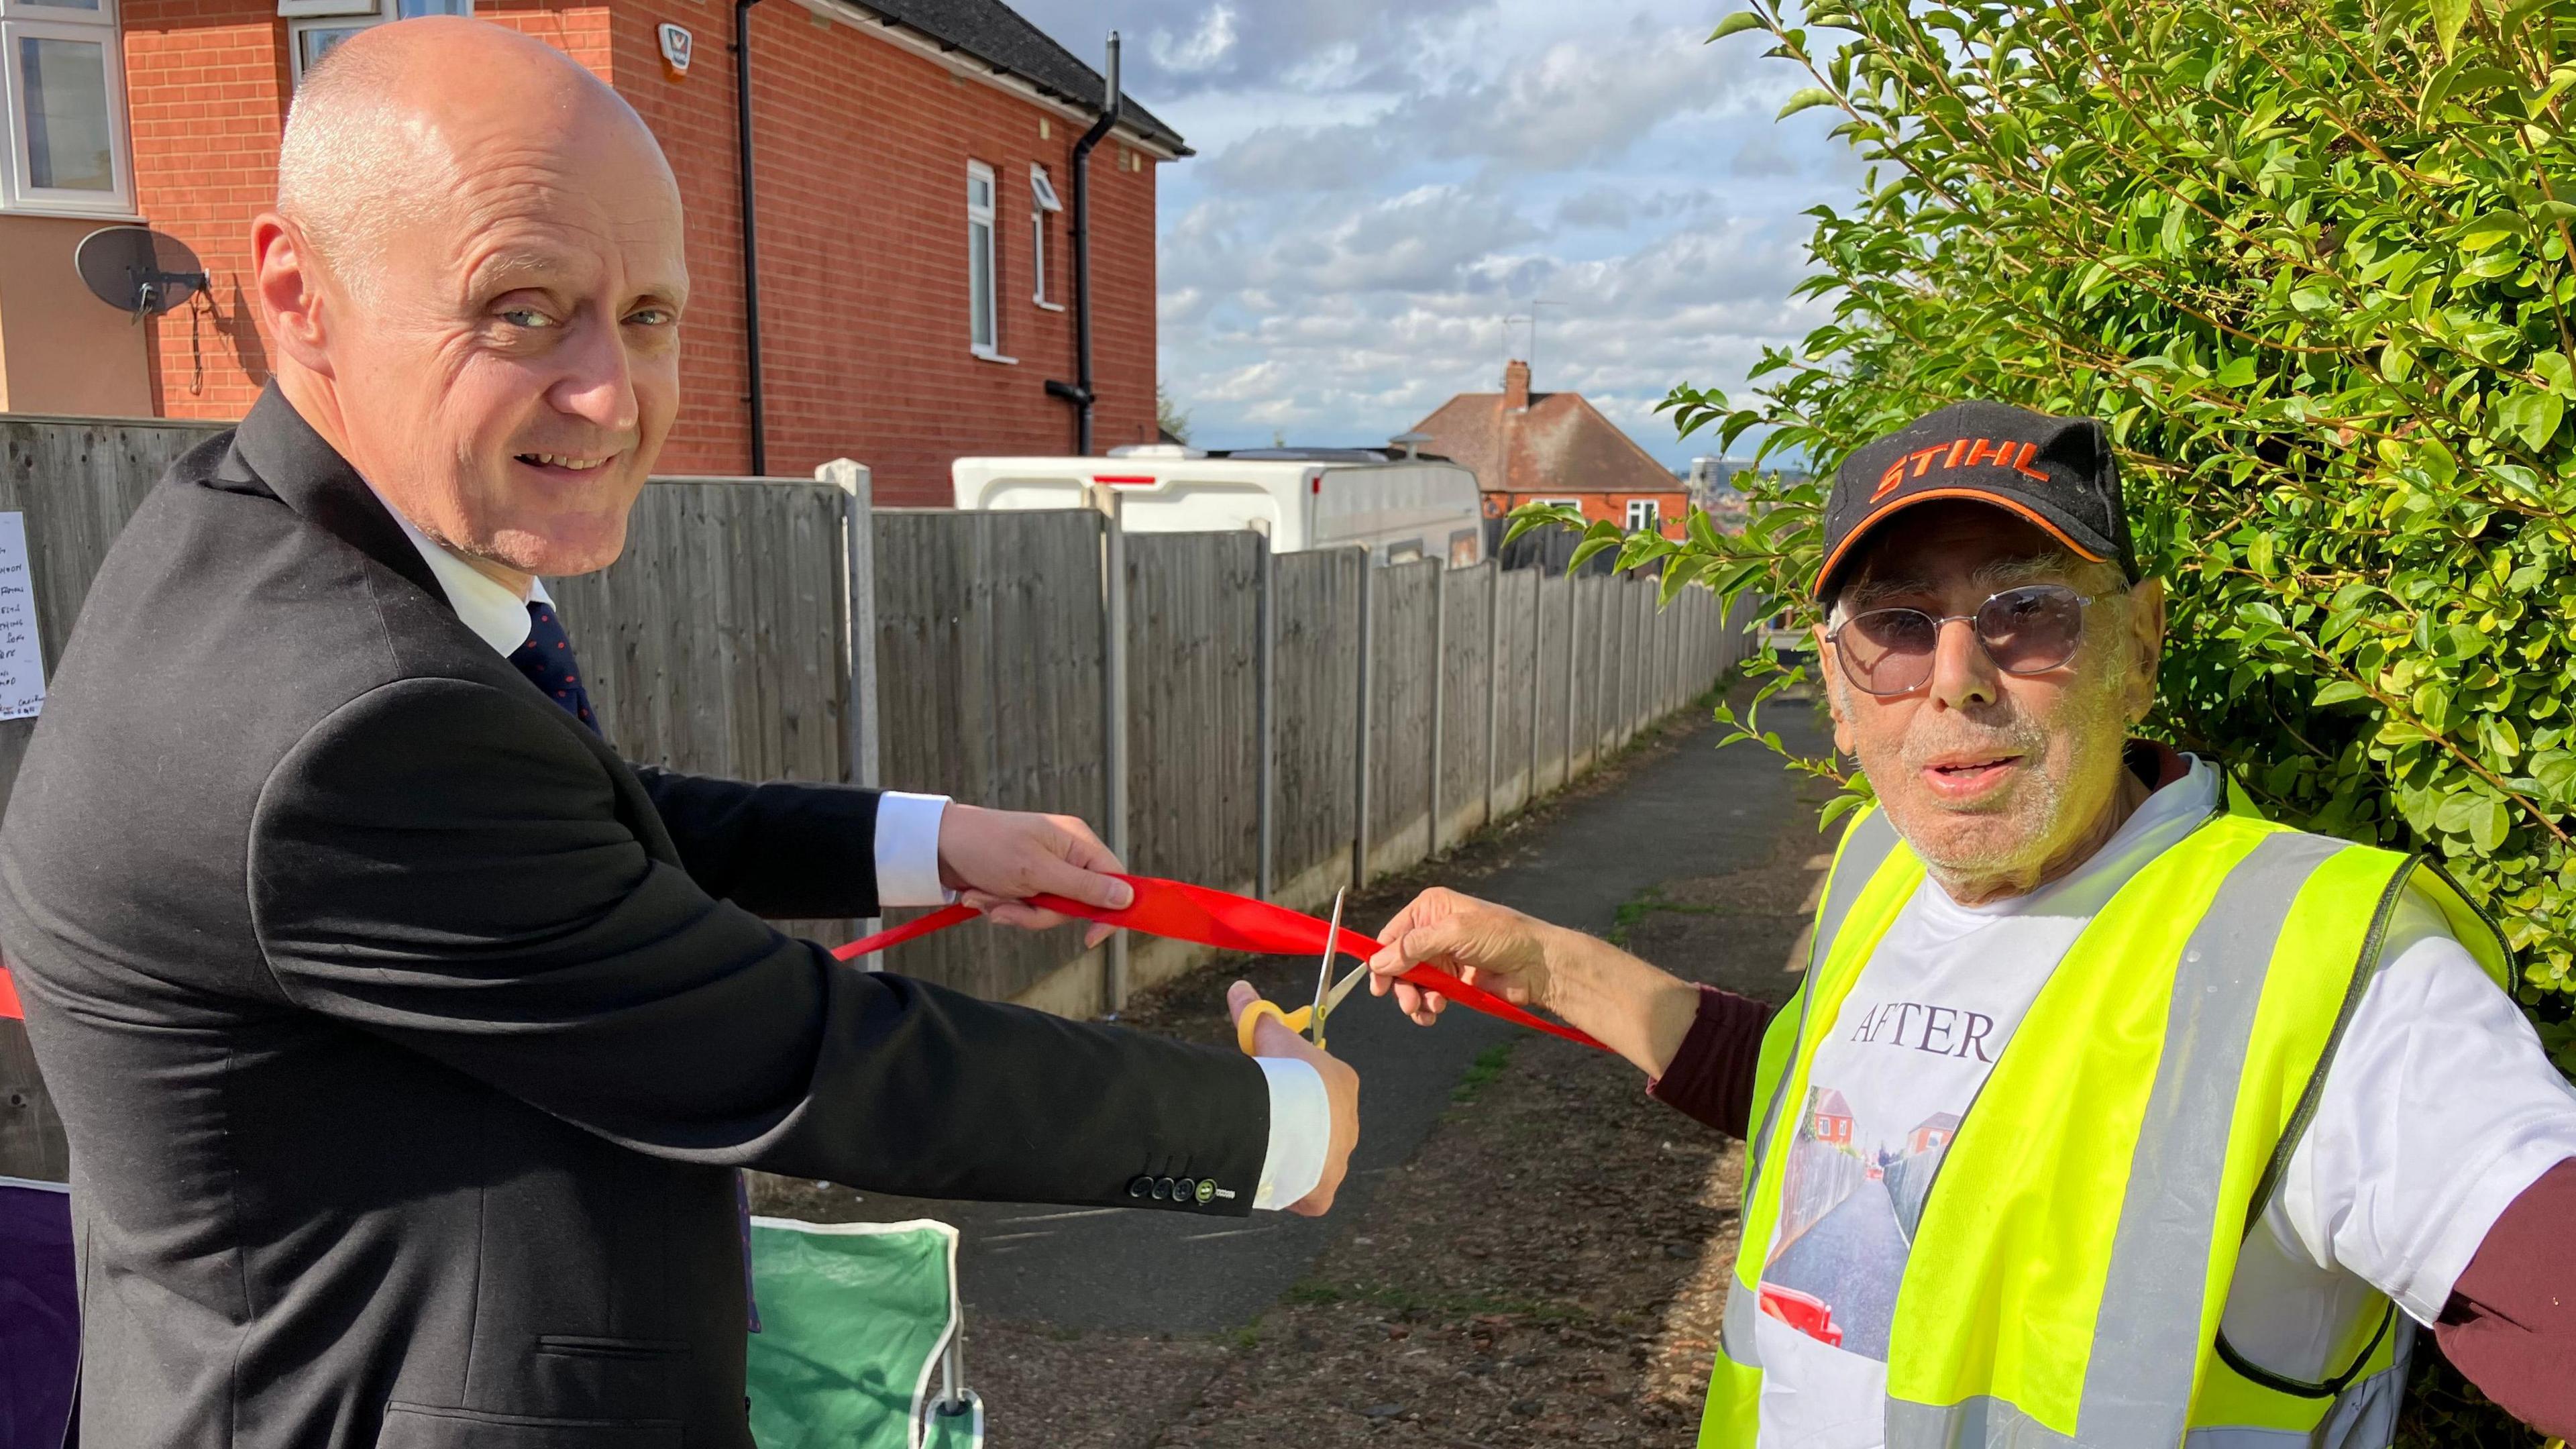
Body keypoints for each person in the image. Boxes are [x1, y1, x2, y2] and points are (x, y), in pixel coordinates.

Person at [0, 19, 1356, 1448]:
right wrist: (1279, 1132)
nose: (610, 393)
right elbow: (801, 1050)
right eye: (521, 308)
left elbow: (569, 827)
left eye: (649, 315)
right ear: (298, 292)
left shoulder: (266, 539)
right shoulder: (344, 723)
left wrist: (925, 841)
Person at [1369, 400, 2576, 1446]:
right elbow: (1816, 1104)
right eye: (1896, 627)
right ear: (1838, 694)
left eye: (2029, 611)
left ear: (2140, 650)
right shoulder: (1881, 866)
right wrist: (1539, 962)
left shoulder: (2319, 969)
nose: (1956, 676)